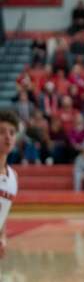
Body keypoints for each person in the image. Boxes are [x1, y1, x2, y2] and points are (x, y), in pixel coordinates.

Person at [0, 111, 20, 262]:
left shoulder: (13, 177)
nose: (8, 137)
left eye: (12, 133)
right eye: (1, 132)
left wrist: (2, 237)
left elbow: (3, 212)